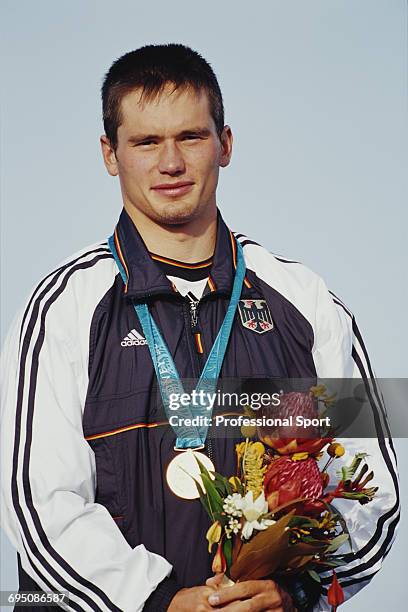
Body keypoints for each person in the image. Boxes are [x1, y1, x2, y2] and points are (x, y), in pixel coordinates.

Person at [0, 43, 399, 612]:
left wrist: (296, 592)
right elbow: (37, 505)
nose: (171, 163)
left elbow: (372, 492)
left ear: (225, 144)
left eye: (190, 137)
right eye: (145, 142)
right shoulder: (62, 309)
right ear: (110, 154)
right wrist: (157, 602)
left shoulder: (306, 302)